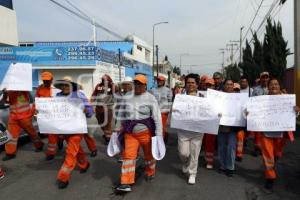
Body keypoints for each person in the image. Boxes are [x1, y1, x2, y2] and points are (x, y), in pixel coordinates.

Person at [114, 74, 163, 192]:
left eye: (140, 84)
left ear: (145, 86)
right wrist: (117, 128)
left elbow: (157, 117)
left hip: (145, 132)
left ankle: (150, 171)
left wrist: (159, 134)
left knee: (148, 155)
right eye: (136, 83)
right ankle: (126, 182)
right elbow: (121, 113)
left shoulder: (150, 98)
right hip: (130, 132)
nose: (137, 86)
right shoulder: (127, 96)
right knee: (128, 156)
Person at [249, 78, 299, 190]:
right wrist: (248, 112)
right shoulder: (262, 100)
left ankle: (271, 168)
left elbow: (292, 116)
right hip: (266, 134)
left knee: (277, 155)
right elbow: (254, 112)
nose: (274, 86)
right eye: (272, 84)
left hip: (280, 134)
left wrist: (296, 110)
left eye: (276, 84)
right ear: (268, 86)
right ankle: (270, 177)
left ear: (279, 86)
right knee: (268, 156)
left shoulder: (286, 99)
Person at [53, 76, 93, 189]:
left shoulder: (79, 95)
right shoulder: (58, 96)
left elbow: (90, 110)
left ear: (72, 86)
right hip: (65, 128)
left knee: (70, 151)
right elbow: (54, 110)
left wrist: (86, 110)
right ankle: (84, 164)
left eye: (67, 85)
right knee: (76, 149)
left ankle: (63, 177)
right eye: (63, 85)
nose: (65, 87)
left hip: (77, 128)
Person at [1, 87, 44, 161]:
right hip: (13, 117)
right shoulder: (9, 91)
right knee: (11, 136)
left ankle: (39, 145)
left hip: (25, 116)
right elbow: (6, 101)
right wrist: (5, 93)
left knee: (32, 133)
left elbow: (26, 94)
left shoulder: (23, 88)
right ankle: (10, 153)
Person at [176, 73, 204, 184]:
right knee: (183, 153)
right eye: (188, 82)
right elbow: (175, 109)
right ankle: (186, 163)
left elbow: (209, 111)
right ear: (185, 84)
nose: (190, 84)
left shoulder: (203, 97)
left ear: (197, 85)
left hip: (197, 131)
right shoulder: (179, 97)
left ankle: (192, 174)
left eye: (193, 83)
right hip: (183, 130)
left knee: (194, 153)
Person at [35, 71, 61, 160]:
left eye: (47, 80)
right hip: (45, 115)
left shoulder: (56, 89)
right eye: (44, 80)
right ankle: (54, 148)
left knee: (55, 134)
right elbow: (37, 100)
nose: (46, 82)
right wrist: (36, 110)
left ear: (52, 80)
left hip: (55, 114)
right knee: (50, 134)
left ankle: (55, 146)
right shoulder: (39, 89)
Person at [218, 79, 239, 177]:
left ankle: (230, 167)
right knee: (222, 146)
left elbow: (242, 108)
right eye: (227, 84)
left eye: (231, 84)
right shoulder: (218, 96)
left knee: (231, 147)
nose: (229, 86)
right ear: (224, 86)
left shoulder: (238, 97)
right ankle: (222, 166)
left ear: (233, 86)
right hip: (221, 125)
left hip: (233, 127)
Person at [91, 74, 115, 144]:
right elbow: (94, 95)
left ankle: (108, 139)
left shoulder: (112, 86)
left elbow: (118, 91)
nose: (104, 81)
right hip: (99, 108)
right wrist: (91, 104)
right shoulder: (98, 86)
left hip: (108, 108)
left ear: (109, 80)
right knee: (100, 123)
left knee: (107, 124)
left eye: (106, 79)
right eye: (103, 79)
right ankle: (106, 134)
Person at [251, 72, 270, 156]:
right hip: (258, 115)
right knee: (258, 133)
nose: (265, 79)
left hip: (269, 115)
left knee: (266, 133)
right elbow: (251, 101)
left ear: (268, 79)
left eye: (266, 77)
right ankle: (256, 148)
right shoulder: (256, 90)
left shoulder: (271, 88)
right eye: (263, 77)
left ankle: (265, 148)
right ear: (260, 79)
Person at [151, 75, 173, 141]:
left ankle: (161, 142)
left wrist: (169, 111)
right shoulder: (153, 90)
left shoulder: (168, 90)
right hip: (154, 112)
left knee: (161, 127)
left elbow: (170, 101)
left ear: (164, 81)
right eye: (158, 80)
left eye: (160, 80)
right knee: (154, 127)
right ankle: (155, 141)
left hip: (163, 112)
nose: (159, 81)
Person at [202, 78, 217, 169]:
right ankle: (204, 156)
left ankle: (209, 161)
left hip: (212, 121)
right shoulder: (200, 94)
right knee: (202, 141)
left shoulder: (218, 96)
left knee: (210, 141)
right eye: (207, 85)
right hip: (202, 121)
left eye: (211, 85)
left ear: (214, 86)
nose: (209, 87)